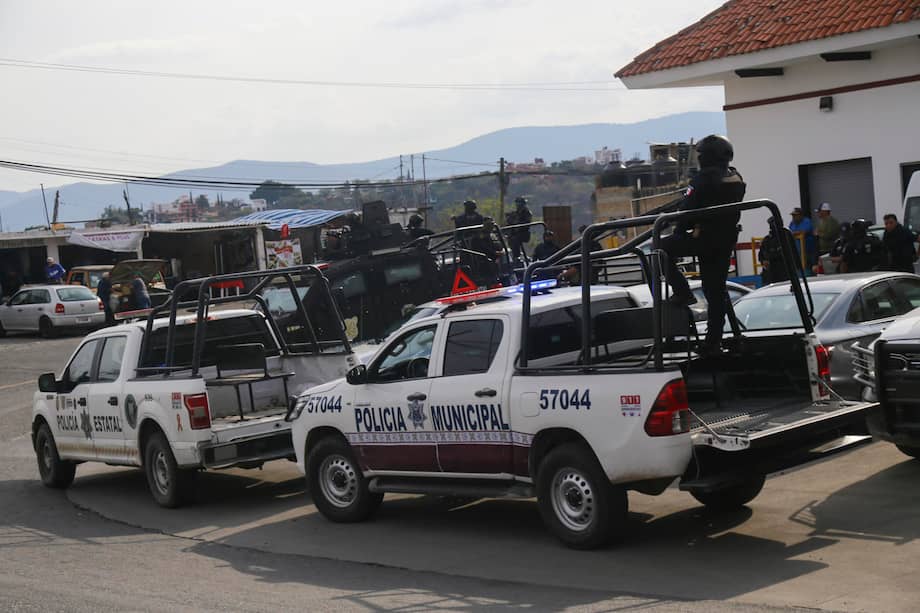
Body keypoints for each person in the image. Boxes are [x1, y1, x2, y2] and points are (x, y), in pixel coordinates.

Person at [660, 134, 746, 356]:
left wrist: (677, 230)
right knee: (715, 291)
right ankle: (712, 342)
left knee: (660, 248)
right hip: (725, 241)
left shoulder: (702, 180)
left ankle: (682, 292)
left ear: (706, 156)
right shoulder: (736, 177)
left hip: (703, 239)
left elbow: (687, 213)